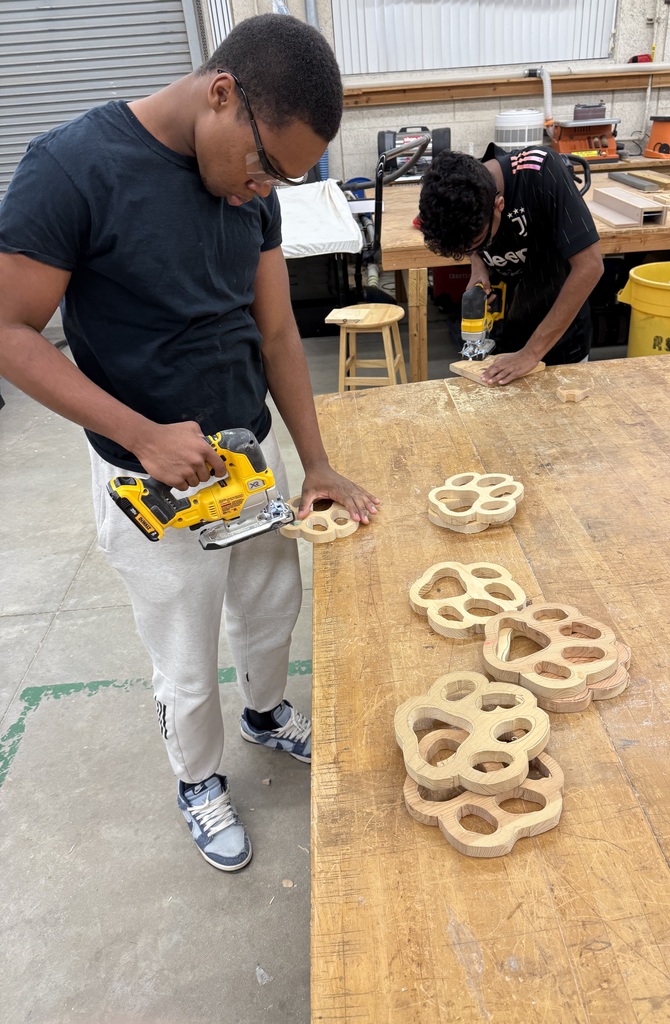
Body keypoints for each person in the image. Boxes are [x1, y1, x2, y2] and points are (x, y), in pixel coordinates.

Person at [0, 14, 380, 872]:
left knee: (268, 607)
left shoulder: (256, 193)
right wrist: (139, 434)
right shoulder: (71, 169)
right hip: (153, 480)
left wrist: (313, 461)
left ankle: (265, 713)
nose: (261, 191)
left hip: (248, 459)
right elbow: (9, 329)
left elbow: (278, 332)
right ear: (220, 95)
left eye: (279, 179)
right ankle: (198, 779)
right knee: (183, 647)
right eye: (263, 167)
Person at [418, 145, 604, 386]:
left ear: (499, 205)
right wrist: (477, 262)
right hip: (510, 333)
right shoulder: (456, 192)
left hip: (561, 335)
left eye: (477, 242)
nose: (473, 250)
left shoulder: (540, 171)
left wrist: (532, 353)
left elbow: (590, 266)